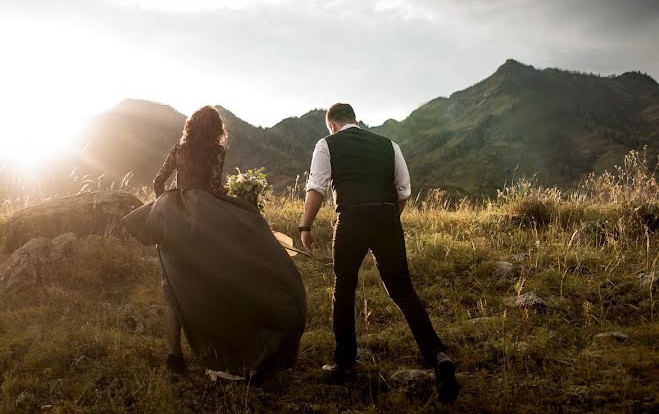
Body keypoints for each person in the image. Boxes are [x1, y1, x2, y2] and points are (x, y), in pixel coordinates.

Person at [121, 106, 307, 380]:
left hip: (174, 225)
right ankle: (221, 347)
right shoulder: (215, 151)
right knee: (208, 284)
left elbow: (158, 182)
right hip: (204, 222)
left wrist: (168, 207)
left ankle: (174, 354)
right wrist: (240, 199)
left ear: (191, 126)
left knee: (171, 285)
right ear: (216, 129)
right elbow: (215, 188)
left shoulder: (178, 150)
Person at [298, 103, 460, 403]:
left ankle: (344, 361)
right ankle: (438, 355)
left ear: (331, 124)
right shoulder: (390, 145)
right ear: (356, 121)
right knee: (403, 290)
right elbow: (403, 191)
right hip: (387, 218)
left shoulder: (327, 144)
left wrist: (305, 226)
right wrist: (387, 220)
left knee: (344, 288)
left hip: (351, 218)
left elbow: (317, 187)